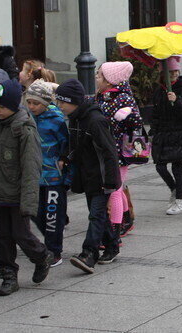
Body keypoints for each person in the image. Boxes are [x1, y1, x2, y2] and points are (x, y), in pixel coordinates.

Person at [0, 79, 53, 295]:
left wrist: (29, 201)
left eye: (1, 106)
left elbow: (31, 167)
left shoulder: (24, 129)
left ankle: (41, 256)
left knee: (21, 234)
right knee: (2, 237)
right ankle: (8, 276)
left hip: (17, 193)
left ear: (13, 106)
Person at [55, 79, 121, 273]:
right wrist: (66, 157)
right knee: (98, 215)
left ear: (74, 101)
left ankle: (89, 254)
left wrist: (110, 181)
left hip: (102, 178)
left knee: (95, 215)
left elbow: (109, 152)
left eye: (62, 102)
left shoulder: (95, 121)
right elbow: (76, 144)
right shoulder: (75, 118)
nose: (59, 106)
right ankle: (112, 246)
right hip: (88, 176)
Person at [93, 62, 143, 239]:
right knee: (118, 188)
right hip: (107, 150)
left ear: (109, 80)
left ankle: (114, 231)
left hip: (120, 152)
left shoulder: (123, 98)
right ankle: (126, 219)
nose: (96, 78)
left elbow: (137, 122)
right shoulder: (102, 96)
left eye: (99, 75)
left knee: (114, 190)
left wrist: (128, 113)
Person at [24, 81, 69, 267]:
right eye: (29, 102)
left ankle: (54, 251)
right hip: (34, 176)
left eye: (36, 103)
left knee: (52, 216)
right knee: (35, 212)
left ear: (45, 102)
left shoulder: (57, 120)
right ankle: (51, 240)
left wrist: (64, 161)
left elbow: (66, 144)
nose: (32, 106)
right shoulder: (27, 119)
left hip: (53, 177)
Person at [151, 57, 182, 216]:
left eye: (176, 71)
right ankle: (175, 189)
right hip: (162, 134)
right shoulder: (158, 91)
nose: (174, 74)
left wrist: (176, 101)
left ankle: (180, 201)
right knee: (160, 166)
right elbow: (155, 113)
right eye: (170, 72)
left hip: (178, 134)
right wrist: (153, 131)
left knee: (177, 168)